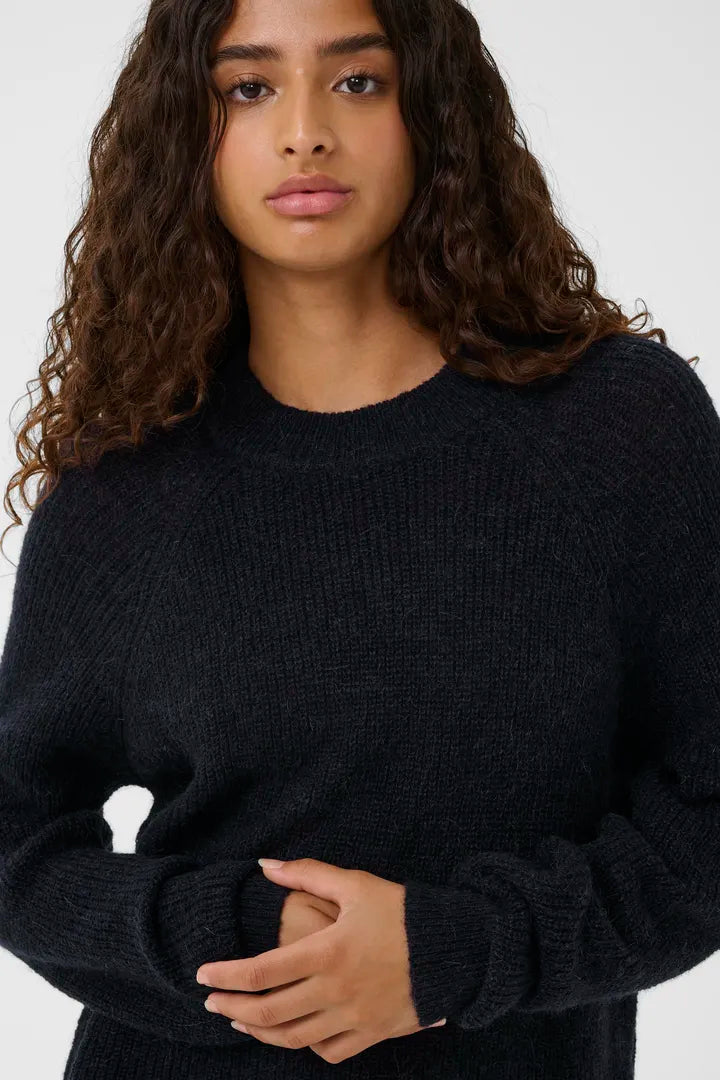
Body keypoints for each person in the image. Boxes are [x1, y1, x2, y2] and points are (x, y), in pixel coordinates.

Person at [1, 0, 719, 1078]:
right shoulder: (127, 485)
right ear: (185, 132)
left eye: (357, 81)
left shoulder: (616, 429)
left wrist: (450, 955)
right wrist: (233, 932)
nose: (305, 132)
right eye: (249, 88)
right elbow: (16, 842)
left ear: (432, 109)